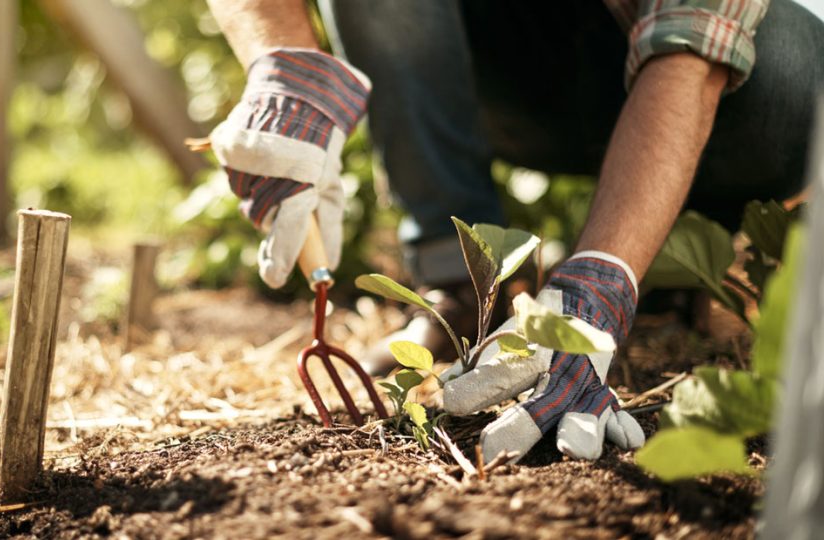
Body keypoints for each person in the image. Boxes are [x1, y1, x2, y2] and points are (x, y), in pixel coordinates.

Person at [203, 0, 824, 463]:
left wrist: (600, 282)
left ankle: (660, 256)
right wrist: (281, 64)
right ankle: (463, 278)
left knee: (797, 71)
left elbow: (694, 48)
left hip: (670, 62)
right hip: (482, 68)